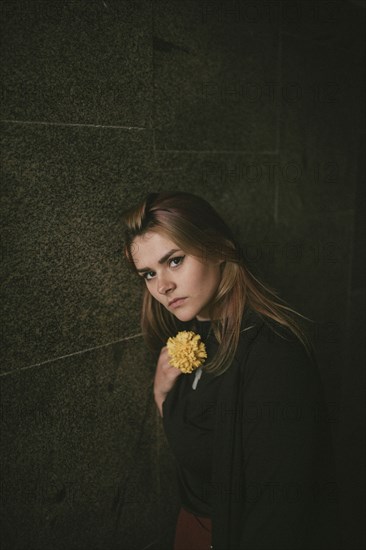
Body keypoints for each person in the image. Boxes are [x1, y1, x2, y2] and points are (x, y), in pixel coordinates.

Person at [121, 191, 340, 550]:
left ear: (219, 249)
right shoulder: (192, 338)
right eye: (148, 273)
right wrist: (163, 396)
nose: (162, 286)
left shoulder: (274, 357)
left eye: (175, 261)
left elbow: (279, 514)